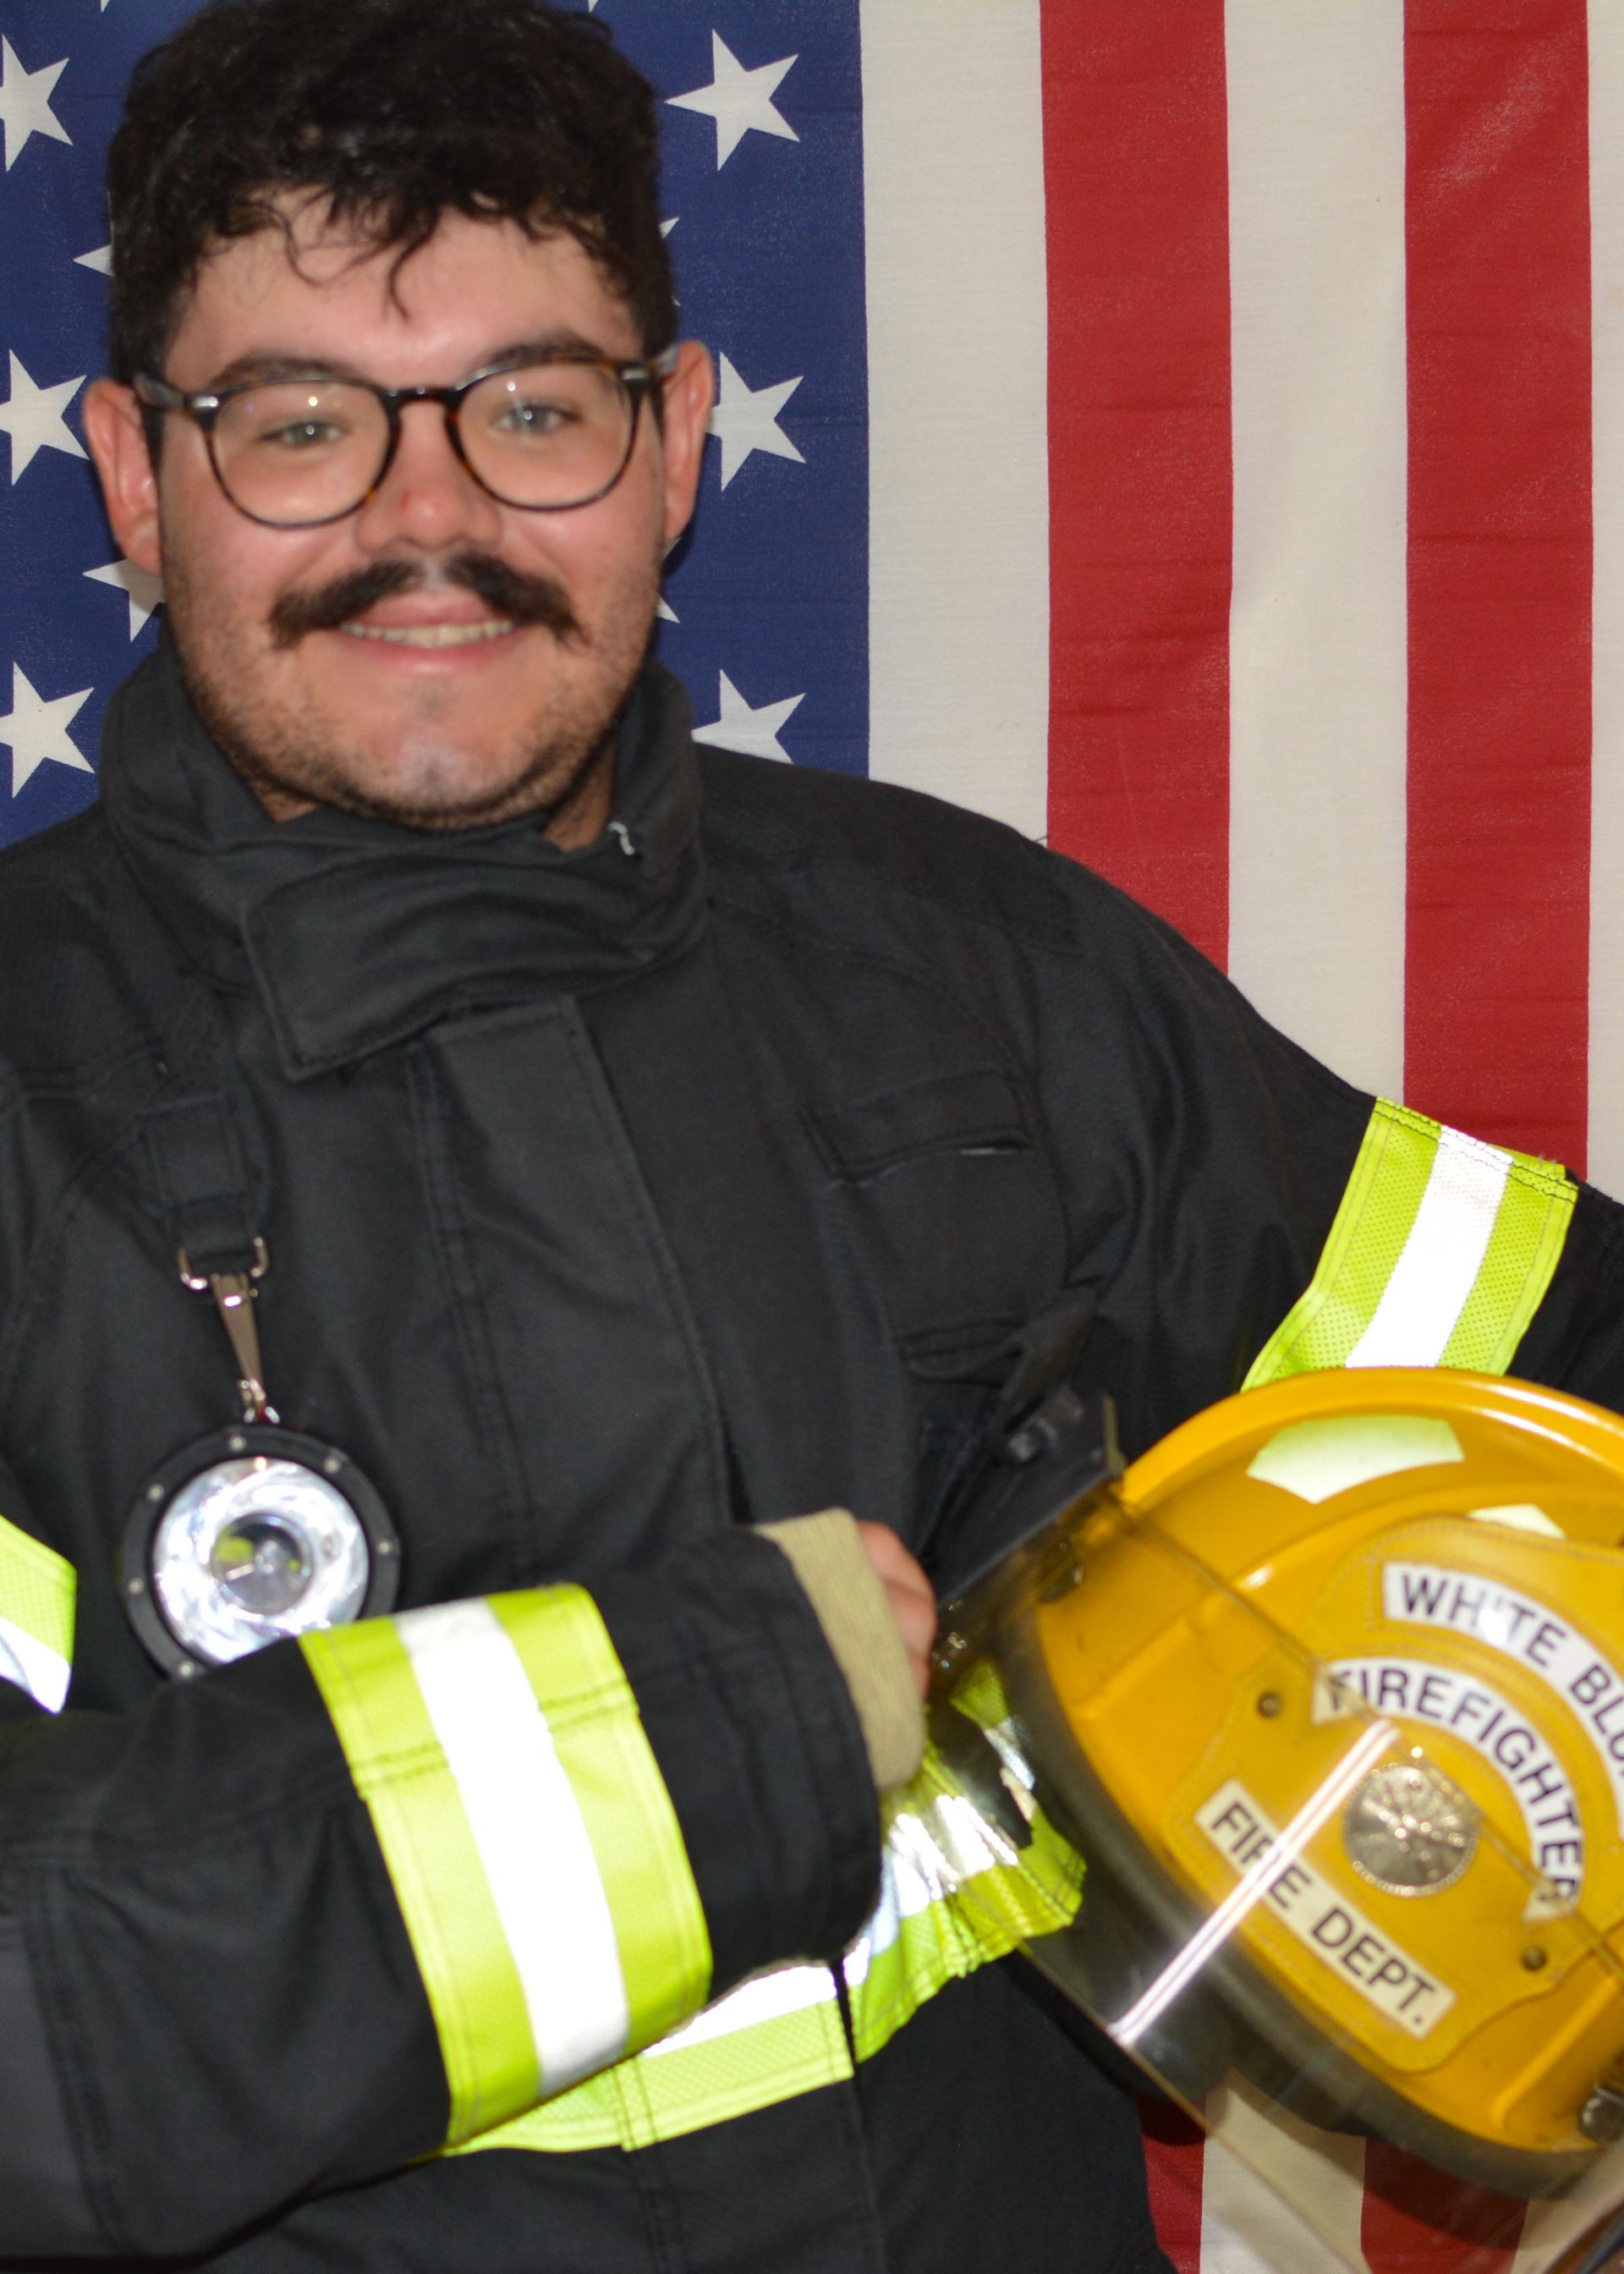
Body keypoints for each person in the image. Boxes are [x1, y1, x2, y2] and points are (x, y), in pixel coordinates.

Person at [0, 1, 1619, 2267]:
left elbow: (1546, 1398)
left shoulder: (972, 956)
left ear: (675, 449)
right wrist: (729, 1717)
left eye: (536, 411)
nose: (431, 523)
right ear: (132, 479)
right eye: (302, 427)